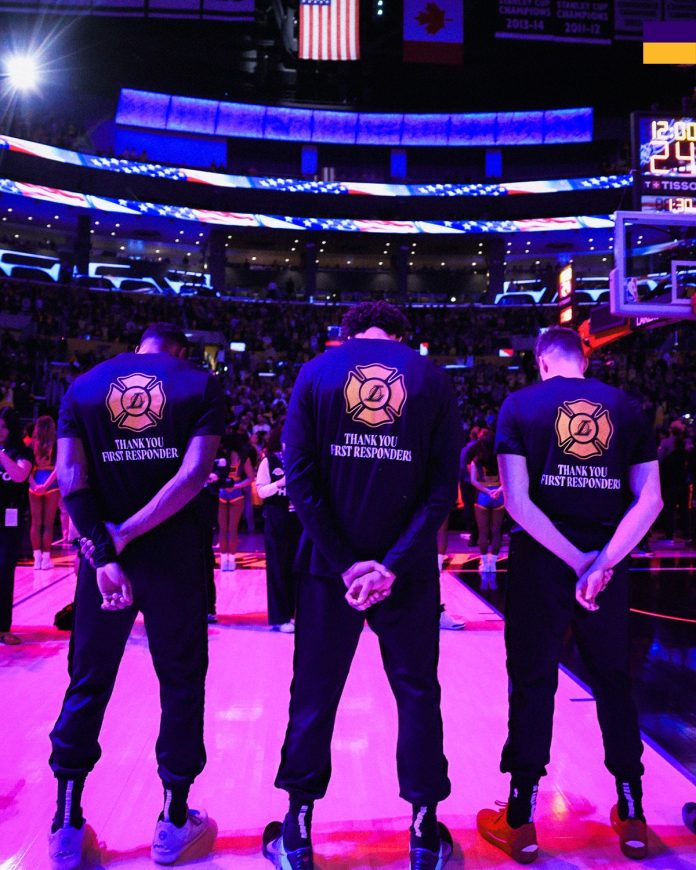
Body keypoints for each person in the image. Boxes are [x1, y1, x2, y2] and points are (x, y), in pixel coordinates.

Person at [263, 301, 461, 869]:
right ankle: (424, 830)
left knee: (315, 693)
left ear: (346, 334)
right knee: (418, 693)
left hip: (331, 571)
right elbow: (441, 490)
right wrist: (391, 565)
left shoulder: (316, 372)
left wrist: (347, 562)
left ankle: (298, 830)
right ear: (402, 335)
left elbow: (297, 477)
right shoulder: (430, 376)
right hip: (409, 573)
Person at [477, 326, 662, 864]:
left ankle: (520, 820)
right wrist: (600, 562)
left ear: (541, 362)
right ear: (585, 357)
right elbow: (649, 500)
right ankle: (632, 814)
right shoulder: (627, 406)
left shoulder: (519, 405)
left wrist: (575, 560)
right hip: (607, 567)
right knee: (614, 681)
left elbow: (516, 501)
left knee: (532, 685)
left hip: (542, 563)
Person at [48, 322, 225, 870]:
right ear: (178, 351)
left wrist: (104, 552)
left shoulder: (84, 386)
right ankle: (173, 823)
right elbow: (194, 475)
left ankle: (66, 826)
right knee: (180, 682)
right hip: (173, 562)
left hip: (102, 565)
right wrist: (126, 534)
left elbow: (68, 474)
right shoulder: (199, 383)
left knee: (88, 681)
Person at [256, 426, 301, 632]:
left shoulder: (301, 459)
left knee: (298, 568)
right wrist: (280, 483)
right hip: (276, 520)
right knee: (278, 568)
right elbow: (261, 491)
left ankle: (296, 614)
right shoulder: (269, 461)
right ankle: (280, 616)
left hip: (298, 520)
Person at [0, 406, 33, 645]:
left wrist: (1, 454)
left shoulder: (21, 452)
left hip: (9, 520)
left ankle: (3, 628)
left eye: (2, 427)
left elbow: (20, 476)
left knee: (3, 572)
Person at [217, 431, 255, 571]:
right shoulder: (242, 457)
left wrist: (228, 485)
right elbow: (250, 478)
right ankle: (229, 562)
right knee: (231, 529)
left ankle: (225, 562)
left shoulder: (222, 455)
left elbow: (214, 475)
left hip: (224, 492)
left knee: (224, 529)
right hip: (235, 493)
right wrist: (236, 485)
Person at [469, 430, 505, 575]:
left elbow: (473, 481)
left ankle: (484, 563)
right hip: (499, 496)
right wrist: (498, 491)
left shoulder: (476, 461)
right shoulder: (500, 459)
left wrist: (487, 491)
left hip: (483, 496)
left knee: (483, 532)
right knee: (496, 531)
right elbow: (507, 480)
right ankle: (493, 564)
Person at [29, 414, 60, 570]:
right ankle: (46, 559)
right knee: (48, 524)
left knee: (36, 523)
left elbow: (27, 469)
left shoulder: (30, 444)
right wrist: (46, 485)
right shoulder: (56, 443)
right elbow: (58, 468)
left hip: (34, 481)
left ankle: (37, 559)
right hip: (51, 483)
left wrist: (35, 485)